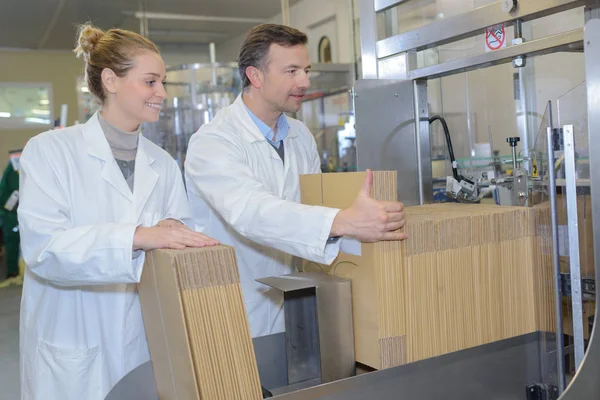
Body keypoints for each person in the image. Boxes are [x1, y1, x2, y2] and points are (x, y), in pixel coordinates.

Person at [17, 23, 218, 400]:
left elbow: (176, 237)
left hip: (142, 339)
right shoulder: (50, 151)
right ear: (110, 80)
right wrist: (140, 235)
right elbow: (45, 249)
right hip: (73, 340)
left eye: (163, 83)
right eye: (150, 81)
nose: (161, 93)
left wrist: (174, 234)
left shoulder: (162, 163)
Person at [184, 24, 407, 339]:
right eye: (291, 71)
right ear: (255, 76)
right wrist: (343, 221)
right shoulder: (213, 141)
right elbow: (251, 212)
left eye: (306, 70)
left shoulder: (301, 135)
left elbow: (311, 209)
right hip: (239, 308)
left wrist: (367, 223)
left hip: (295, 304)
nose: (305, 81)